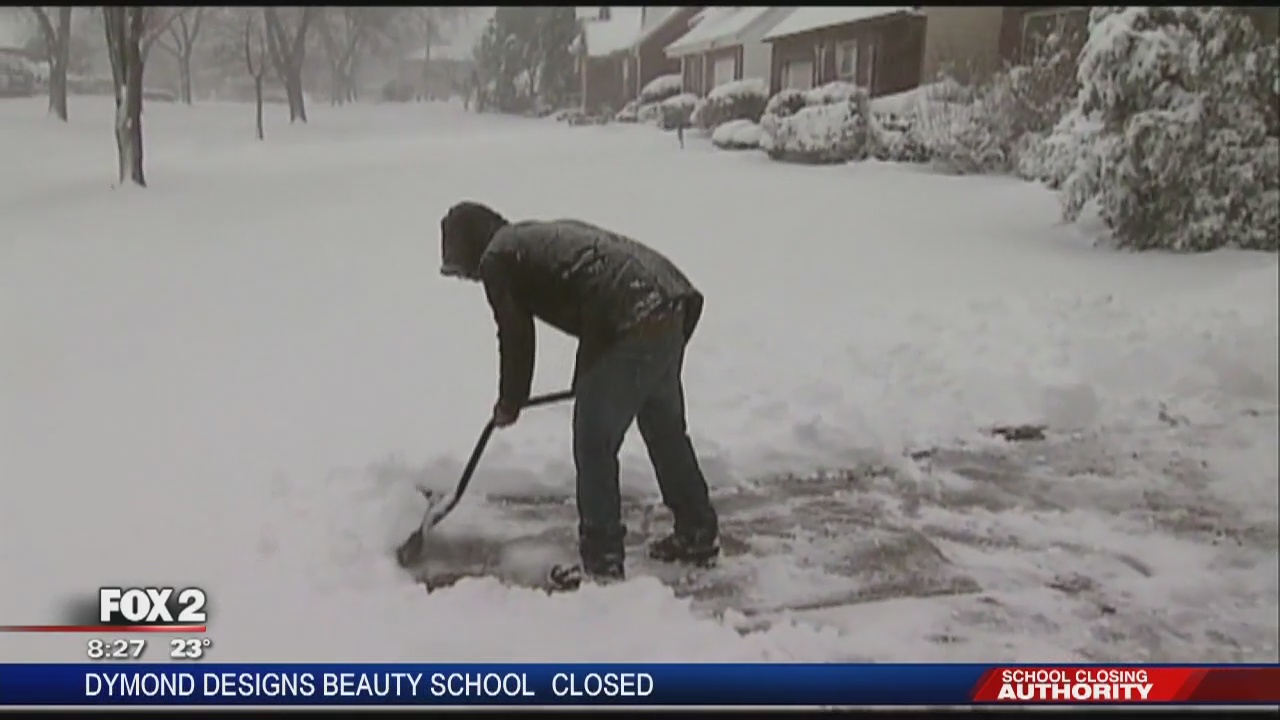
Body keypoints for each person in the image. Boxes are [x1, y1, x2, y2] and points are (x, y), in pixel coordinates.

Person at [438, 201, 720, 588]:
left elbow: (516, 333)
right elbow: (592, 288)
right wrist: (593, 378)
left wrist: (510, 399)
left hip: (630, 318)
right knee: (664, 430)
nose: (470, 279)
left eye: (461, 269)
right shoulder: (526, 238)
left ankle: (602, 562)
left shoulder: (498, 258)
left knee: (594, 443)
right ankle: (697, 532)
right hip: (667, 304)